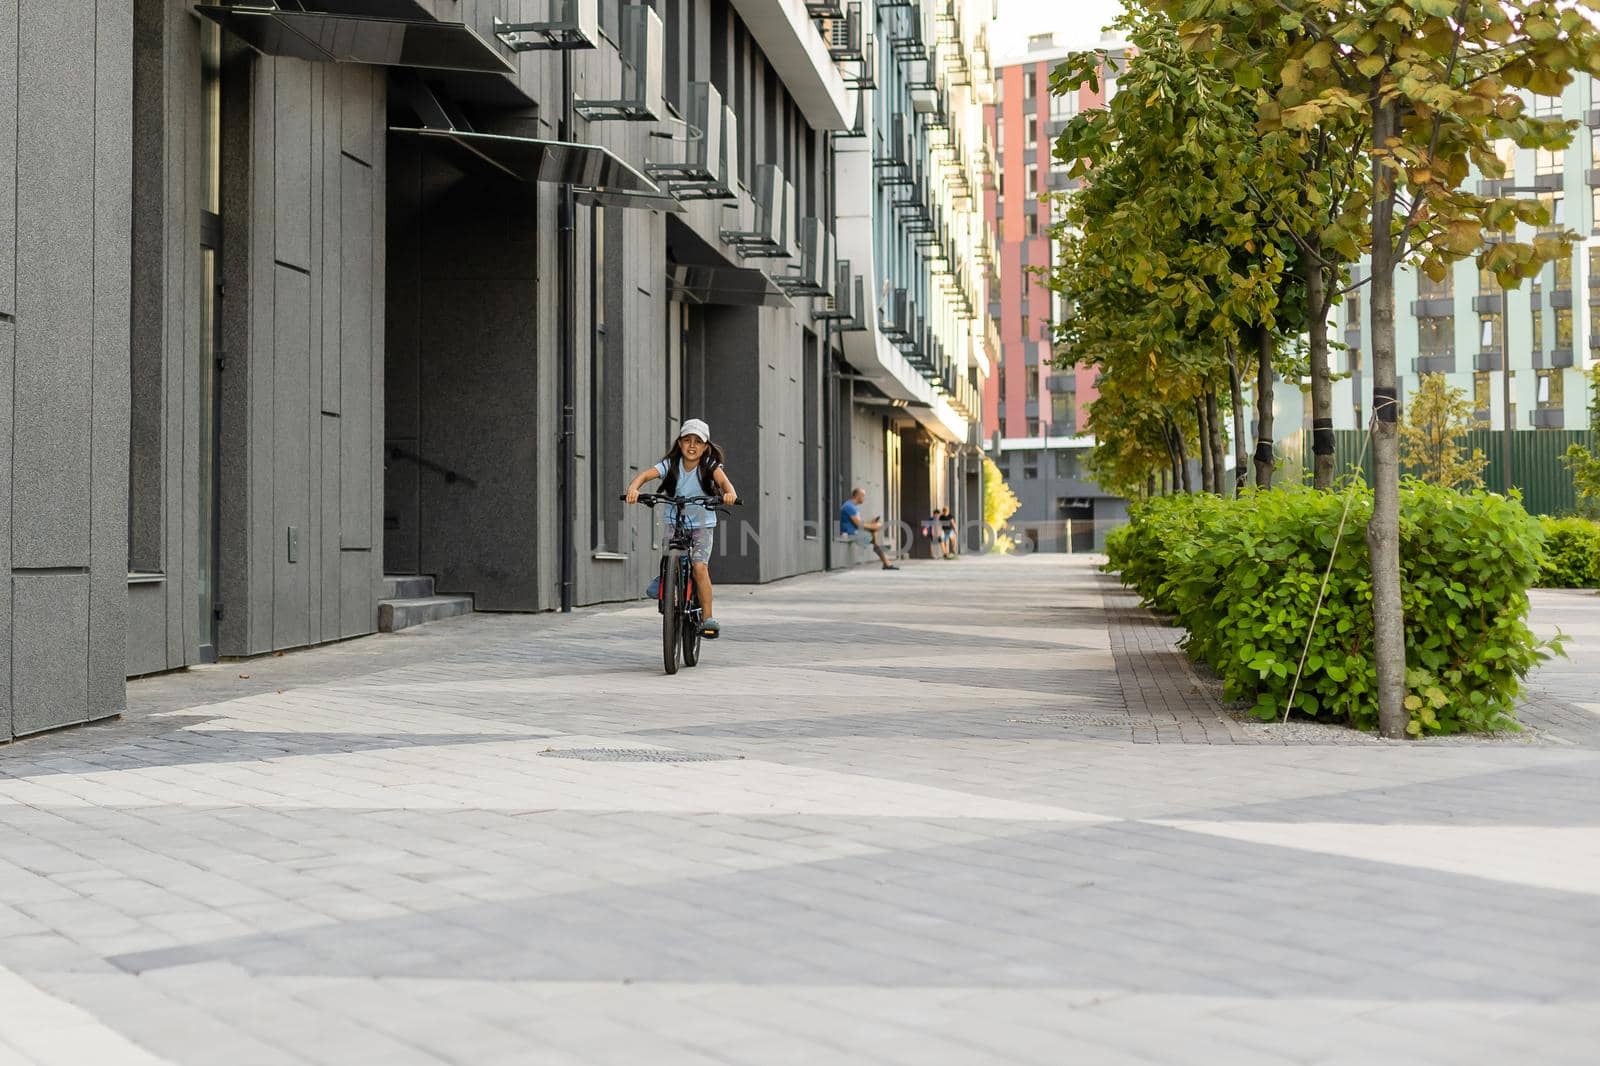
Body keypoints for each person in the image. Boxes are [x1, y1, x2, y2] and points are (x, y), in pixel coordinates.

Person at [624, 418, 738, 638]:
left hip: (702, 525)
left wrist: (729, 494)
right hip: (674, 520)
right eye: (687, 440)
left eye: (698, 441)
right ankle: (666, 580)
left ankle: (708, 618)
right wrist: (634, 488)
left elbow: (725, 484)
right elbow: (646, 475)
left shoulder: (709, 466)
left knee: (699, 567)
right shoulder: (670, 464)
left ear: (705, 446)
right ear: (679, 443)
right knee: (671, 556)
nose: (692, 445)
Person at [839, 487, 899, 570]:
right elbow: (859, 524)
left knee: (875, 531)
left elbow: (859, 523)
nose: (864, 498)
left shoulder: (851, 506)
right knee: (875, 530)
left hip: (855, 531)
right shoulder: (849, 507)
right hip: (850, 534)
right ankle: (880, 552)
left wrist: (871, 523)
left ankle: (883, 556)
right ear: (857, 496)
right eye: (863, 495)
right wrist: (874, 526)